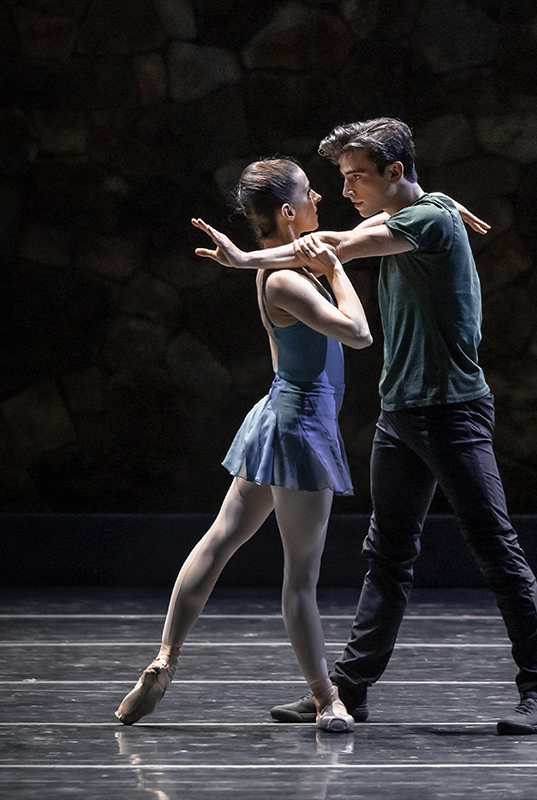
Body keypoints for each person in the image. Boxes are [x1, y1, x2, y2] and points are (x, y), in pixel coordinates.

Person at [189, 118, 537, 736]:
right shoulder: (421, 214)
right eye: (339, 177)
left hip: (453, 412)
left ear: (395, 173)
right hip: (401, 415)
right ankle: (349, 690)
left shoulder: (429, 221)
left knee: (497, 551)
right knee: (387, 557)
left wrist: (244, 257)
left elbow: (335, 243)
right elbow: (363, 229)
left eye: (357, 175)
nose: (345, 188)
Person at [114, 157, 373, 733]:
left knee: (222, 539)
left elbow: (361, 235)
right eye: (310, 194)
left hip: (282, 417)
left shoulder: (282, 262)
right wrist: (335, 271)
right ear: (287, 212)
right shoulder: (287, 277)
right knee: (300, 574)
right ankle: (326, 697)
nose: (321, 202)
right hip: (300, 428)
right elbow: (358, 333)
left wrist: (437, 209)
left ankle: (166, 659)